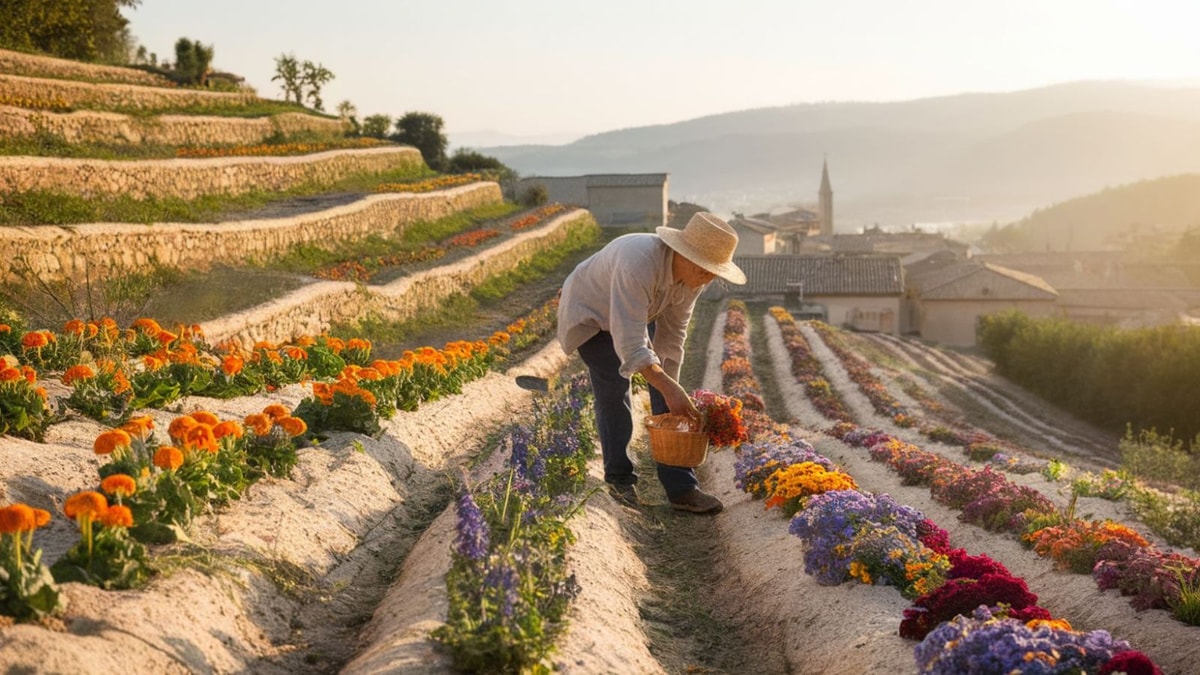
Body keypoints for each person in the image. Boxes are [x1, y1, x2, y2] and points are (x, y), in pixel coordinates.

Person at [557, 212, 747, 514]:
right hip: (592, 314)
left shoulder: (694, 278)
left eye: (714, 272)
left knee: (666, 386)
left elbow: (672, 336)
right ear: (682, 253)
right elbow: (630, 344)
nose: (709, 277)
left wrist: (671, 386)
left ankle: (682, 489)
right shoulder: (638, 264)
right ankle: (620, 479)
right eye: (705, 269)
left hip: (639, 314)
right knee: (614, 386)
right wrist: (667, 387)